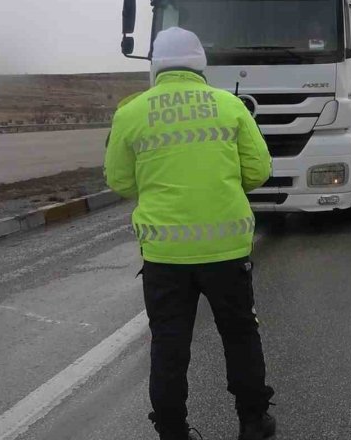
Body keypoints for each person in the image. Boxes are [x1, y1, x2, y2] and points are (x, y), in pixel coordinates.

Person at [104, 27, 276, 440]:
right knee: (239, 335)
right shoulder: (229, 106)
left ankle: (172, 431)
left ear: (156, 65)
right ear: (200, 64)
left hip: (165, 257)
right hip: (226, 250)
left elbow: (120, 181)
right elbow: (259, 171)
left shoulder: (130, 113)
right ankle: (253, 421)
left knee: (168, 345)